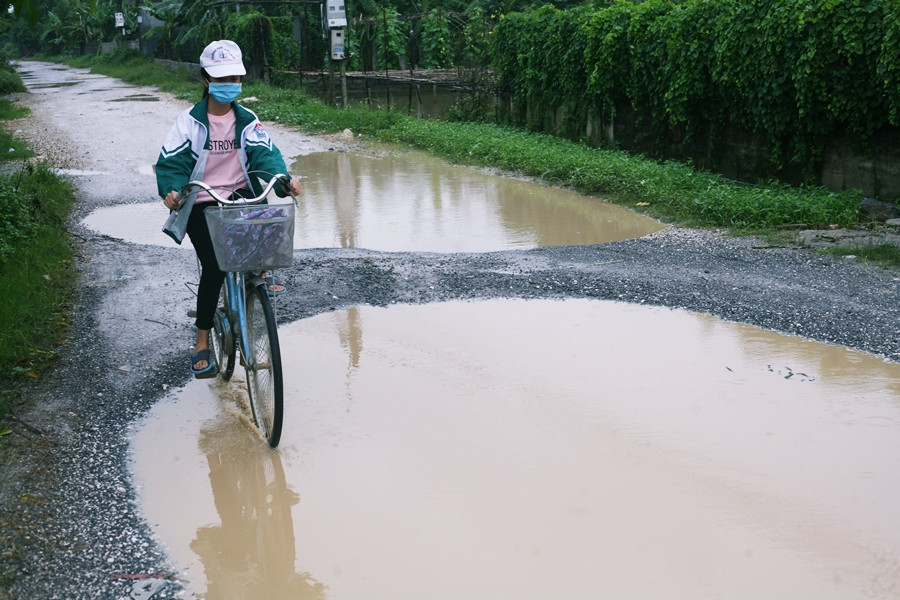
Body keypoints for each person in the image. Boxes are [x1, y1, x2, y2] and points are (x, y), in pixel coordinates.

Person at [156, 39, 302, 379]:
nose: (229, 85)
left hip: (241, 197)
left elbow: (266, 157)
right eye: (221, 79)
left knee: (260, 247)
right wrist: (172, 190)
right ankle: (202, 340)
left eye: (234, 78)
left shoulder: (247, 120)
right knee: (215, 267)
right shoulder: (189, 123)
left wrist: (283, 180)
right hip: (203, 203)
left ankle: (258, 274)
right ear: (206, 79)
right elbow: (172, 163)